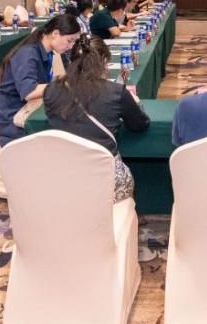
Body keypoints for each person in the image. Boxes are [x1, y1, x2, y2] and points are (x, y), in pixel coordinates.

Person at [44, 36, 150, 201]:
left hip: (62, 177)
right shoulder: (116, 92)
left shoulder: (51, 90)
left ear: (71, 61)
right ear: (104, 62)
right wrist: (134, 103)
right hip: (105, 180)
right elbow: (139, 125)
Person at [0, 14, 83, 146]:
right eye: (69, 41)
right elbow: (29, 91)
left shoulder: (45, 51)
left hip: (25, 107)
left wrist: (65, 79)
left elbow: (41, 80)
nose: (71, 46)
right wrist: (63, 84)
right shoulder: (28, 54)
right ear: (55, 34)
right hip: (10, 116)